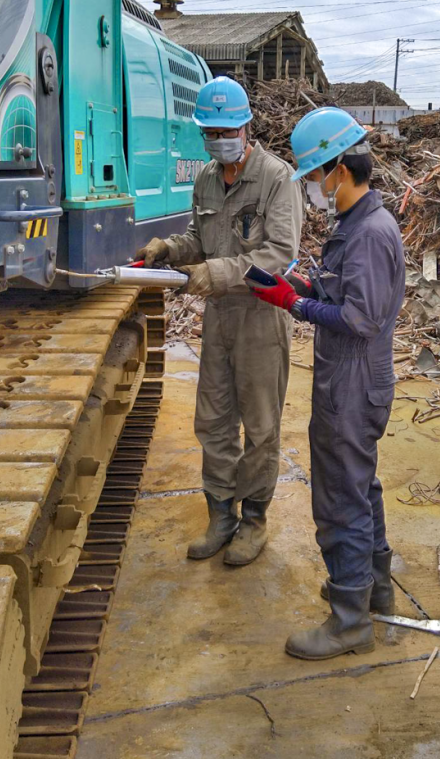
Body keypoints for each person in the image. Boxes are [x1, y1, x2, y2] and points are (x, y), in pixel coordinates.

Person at [252, 106, 405, 660]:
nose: (313, 187)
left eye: (315, 176)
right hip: (354, 379)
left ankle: (349, 621)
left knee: (341, 499)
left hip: (352, 382)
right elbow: (346, 293)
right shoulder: (357, 225)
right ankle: (373, 590)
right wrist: (303, 281)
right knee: (360, 488)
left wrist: (295, 304)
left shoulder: (367, 233)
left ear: (341, 169)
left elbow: (361, 318)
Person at [138, 76, 303, 566]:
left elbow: (280, 255)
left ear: (246, 125)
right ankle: (221, 516)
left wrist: (216, 271)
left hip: (260, 318)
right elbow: (199, 236)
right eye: (209, 131)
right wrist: (169, 249)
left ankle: (253, 520)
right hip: (219, 321)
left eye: (226, 129)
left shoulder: (278, 179)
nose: (218, 138)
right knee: (213, 421)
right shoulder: (208, 177)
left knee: (260, 424)